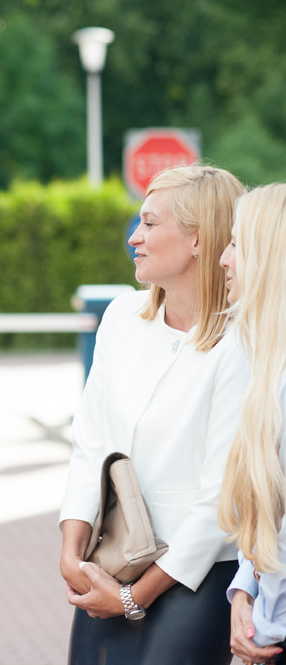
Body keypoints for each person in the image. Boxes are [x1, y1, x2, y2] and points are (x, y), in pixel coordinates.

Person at [59, 164, 248, 665]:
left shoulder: (243, 342)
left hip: (198, 574)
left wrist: (132, 598)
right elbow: (91, 442)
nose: (134, 238)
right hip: (113, 560)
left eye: (150, 223)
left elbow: (222, 499)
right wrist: (72, 551)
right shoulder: (121, 317)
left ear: (198, 240)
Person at [218, 183, 286, 665]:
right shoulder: (265, 366)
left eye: (236, 243)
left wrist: (265, 626)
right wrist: (244, 588)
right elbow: (266, 519)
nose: (224, 259)